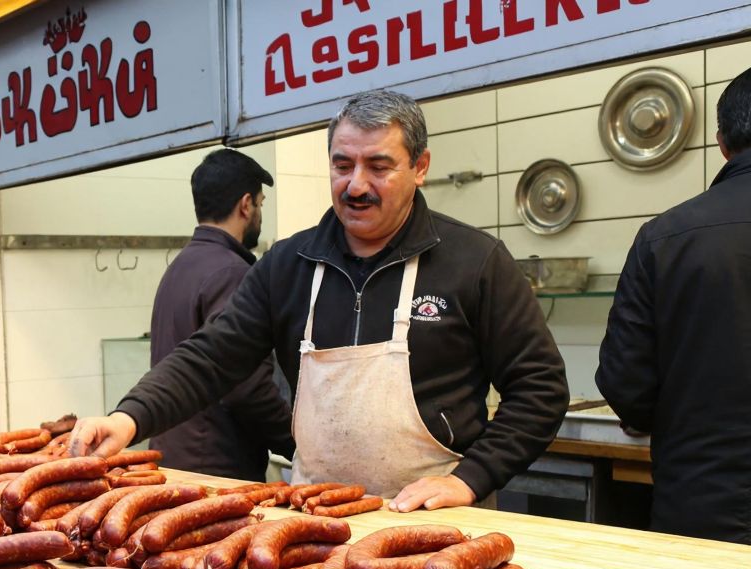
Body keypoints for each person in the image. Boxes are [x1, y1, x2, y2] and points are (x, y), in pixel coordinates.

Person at [71, 90, 568, 510]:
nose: (356, 185)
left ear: (420, 168)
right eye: (342, 164)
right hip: (315, 519)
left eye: (378, 166)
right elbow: (210, 358)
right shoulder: (289, 264)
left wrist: (470, 479)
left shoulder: (475, 261)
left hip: (438, 520)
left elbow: (540, 388)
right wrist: (128, 417)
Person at [597, 66, 751, 544]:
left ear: (722, 142)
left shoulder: (665, 238)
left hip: (704, 506)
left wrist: (648, 415)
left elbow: (625, 384)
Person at [146, 149, 290, 481]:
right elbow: (246, 387)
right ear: (245, 205)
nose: (259, 214)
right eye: (261, 204)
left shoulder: (180, 266)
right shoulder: (232, 272)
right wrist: (296, 443)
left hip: (173, 461)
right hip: (218, 471)